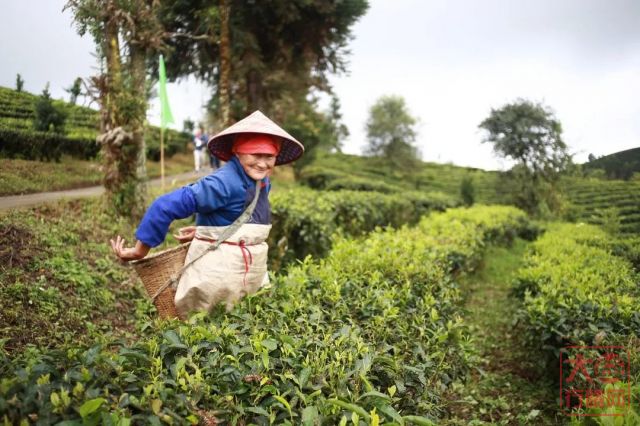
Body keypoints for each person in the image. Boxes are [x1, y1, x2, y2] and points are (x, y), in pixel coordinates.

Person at [110, 111, 304, 316]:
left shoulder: (261, 180)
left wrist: (212, 228)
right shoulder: (223, 183)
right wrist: (140, 251)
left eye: (270, 156)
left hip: (247, 274)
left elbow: (243, 215)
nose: (263, 163)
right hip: (217, 277)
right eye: (256, 154)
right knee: (208, 331)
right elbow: (164, 206)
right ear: (238, 153)